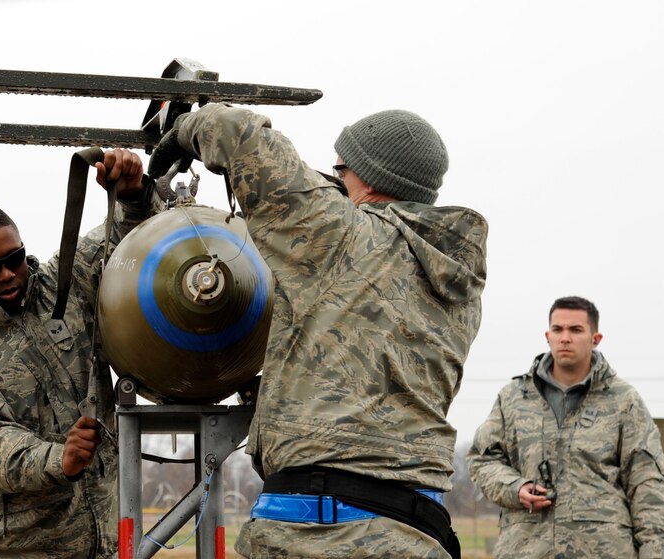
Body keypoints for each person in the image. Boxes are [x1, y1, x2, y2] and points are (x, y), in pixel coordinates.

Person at [141, 104, 488, 558]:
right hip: (415, 531)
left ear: (366, 176)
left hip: (325, 531)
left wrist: (181, 127)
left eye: (340, 168)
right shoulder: (455, 282)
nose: (335, 178)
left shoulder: (342, 234)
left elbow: (237, 133)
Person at [0, 149, 160, 558]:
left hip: (106, 543)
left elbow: (129, 246)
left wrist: (133, 194)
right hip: (16, 549)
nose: (6, 274)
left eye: (14, 259)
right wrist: (58, 458)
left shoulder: (66, 285)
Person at [466, 296, 664, 558]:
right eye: (558, 329)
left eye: (575, 330)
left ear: (595, 338)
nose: (565, 337)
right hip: (526, 549)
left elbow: (649, 484)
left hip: (603, 550)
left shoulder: (624, 401)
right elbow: (482, 459)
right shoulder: (513, 398)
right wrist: (514, 488)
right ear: (548, 335)